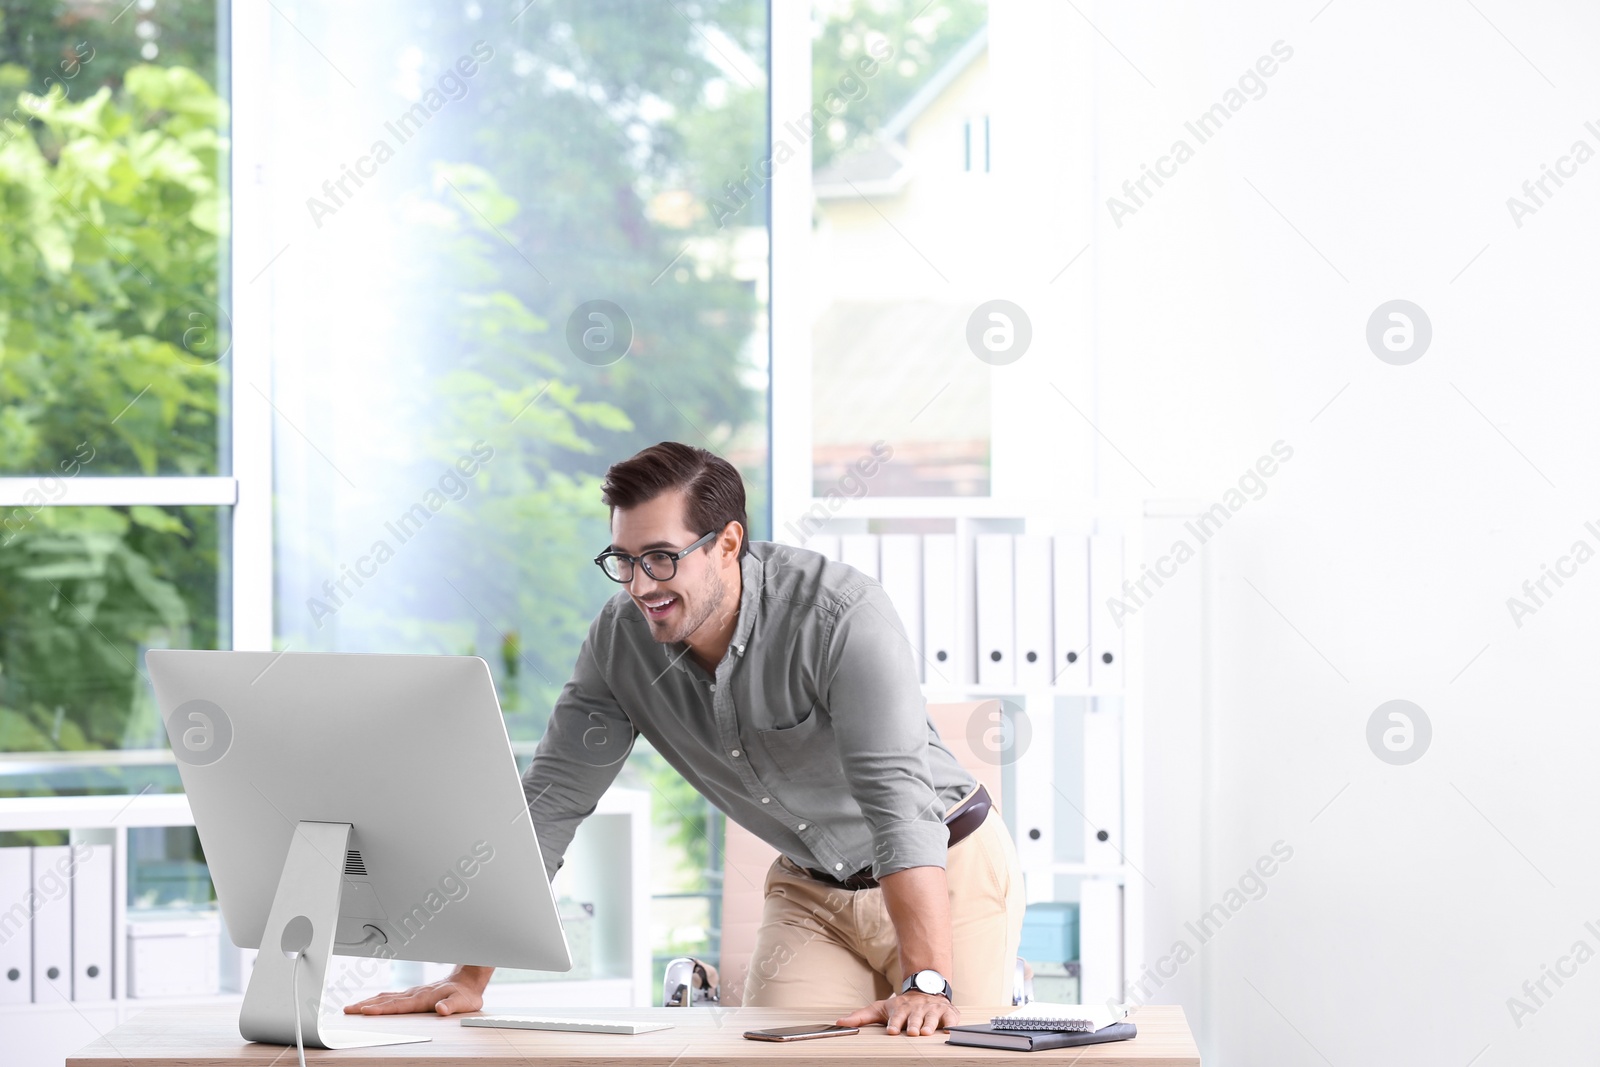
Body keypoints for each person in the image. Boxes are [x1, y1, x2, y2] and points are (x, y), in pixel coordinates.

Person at [346, 442, 1024, 1036]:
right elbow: (552, 800)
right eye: (624, 559)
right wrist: (470, 976)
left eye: (663, 558)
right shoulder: (621, 644)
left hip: (949, 865)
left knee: (946, 1056)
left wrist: (929, 978)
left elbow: (897, 803)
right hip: (813, 893)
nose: (640, 585)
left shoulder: (839, 617)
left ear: (727, 543)